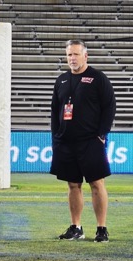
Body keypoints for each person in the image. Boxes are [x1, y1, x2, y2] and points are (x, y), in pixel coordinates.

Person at [51, 39, 116, 243]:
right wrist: (56, 136)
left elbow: (110, 106)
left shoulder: (97, 78)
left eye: (76, 54)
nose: (72, 58)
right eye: (69, 54)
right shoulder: (61, 80)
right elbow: (55, 111)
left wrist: (102, 134)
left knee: (97, 184)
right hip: (66, 142)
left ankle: (102, 229)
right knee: (73, 185)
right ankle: (76, 227)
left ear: (85, 56)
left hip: (90, 141)